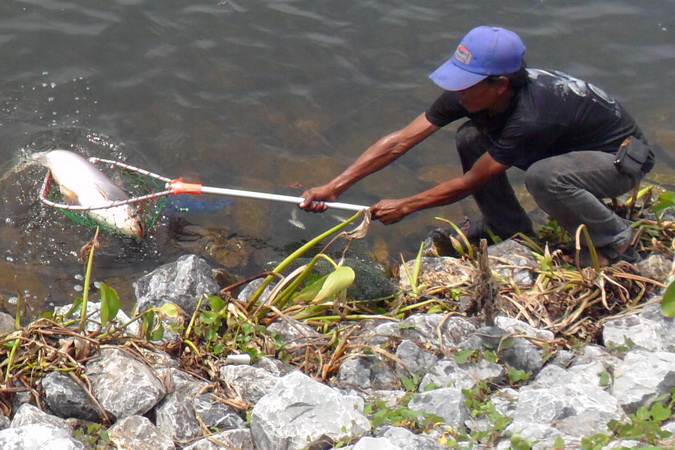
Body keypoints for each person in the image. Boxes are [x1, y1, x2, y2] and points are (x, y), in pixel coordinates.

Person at [299, 26, 655, 265]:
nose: (457, 90)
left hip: (618, 160)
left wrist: (406, 206)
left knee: (545, 178)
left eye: (466, 83)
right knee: (470, 136)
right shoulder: (472, 94)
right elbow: (400, 141)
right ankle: (508, 226)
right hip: (565, 146)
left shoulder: (533, 115)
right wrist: (335, 186)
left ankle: (614, 240)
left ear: (500, 85)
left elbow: (471, 182)